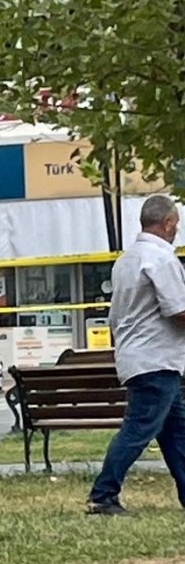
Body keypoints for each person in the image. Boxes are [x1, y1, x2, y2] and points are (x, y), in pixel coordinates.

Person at [87, 194, 185, 515]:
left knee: (177, 433)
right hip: (157, 358)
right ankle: (103, 494)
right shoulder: (162, 259)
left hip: (139, 357)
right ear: (167, 223)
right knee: (138, 429)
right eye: (176, 224)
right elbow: (178, 310)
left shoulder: (126, 260)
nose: (176, 230)